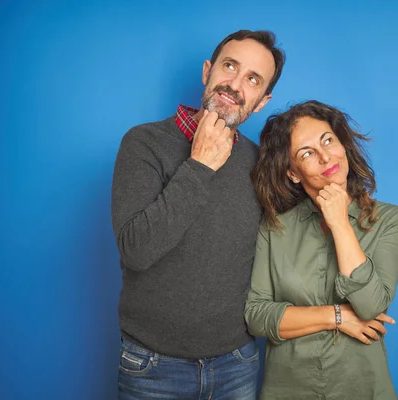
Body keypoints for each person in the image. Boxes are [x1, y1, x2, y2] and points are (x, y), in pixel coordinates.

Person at [111, 30, 285, 399]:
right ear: (208, 71)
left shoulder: (259, 164)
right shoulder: (143, 143)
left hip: (236, 364)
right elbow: (137, 250)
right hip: (152, 368)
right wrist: (200, 165)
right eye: (230, 66)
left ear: (261, 101)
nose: (235, 84)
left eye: (252, 79)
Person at [245, 100, 398, 399]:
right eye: (306, 153)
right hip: (288, 389)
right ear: (293, 172)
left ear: (343, 144)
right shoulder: (275, 228)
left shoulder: (389, 219)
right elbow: (256, 315)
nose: (325, 157)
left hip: (362, 386)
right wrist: (338, 316)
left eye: (328, 141)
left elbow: (371, 306)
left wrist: (340, 224)